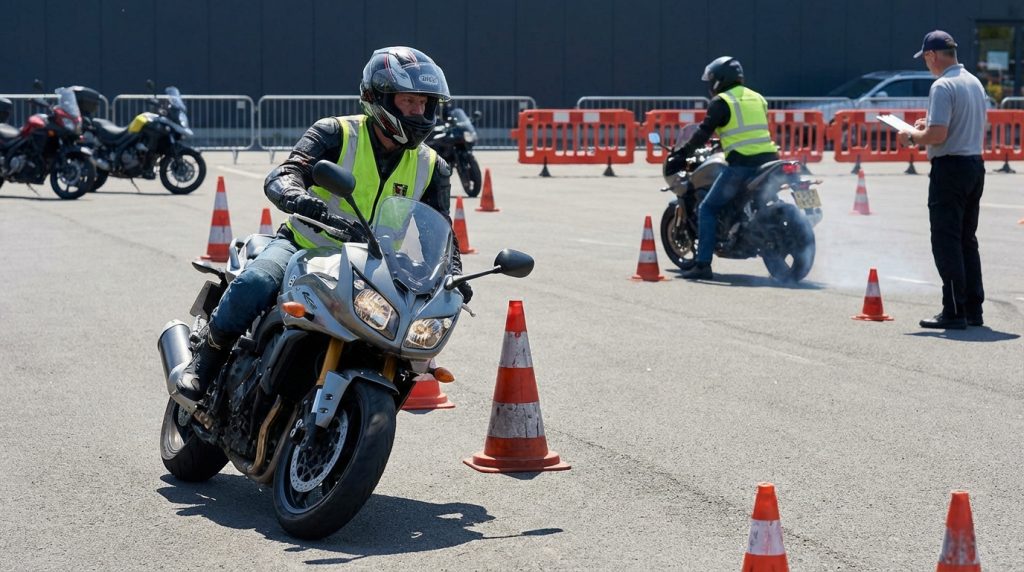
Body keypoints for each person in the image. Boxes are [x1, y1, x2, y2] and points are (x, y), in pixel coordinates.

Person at [178, 46, 471, 400]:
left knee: (408, 336)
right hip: (305, 246)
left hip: (373, 268)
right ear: (378, 97)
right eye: (409, 101)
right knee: (256, 281)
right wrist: (300, 198)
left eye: (424, 103)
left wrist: (453, 273)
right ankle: (208, 358)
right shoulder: (336, 133)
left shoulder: (432, 166)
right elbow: (285, 174)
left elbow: (440, 230)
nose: (418, 111)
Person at [897, 31, 986, 329]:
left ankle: (954, 311)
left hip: (950, 168)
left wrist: (911, 136)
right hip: (974, 164)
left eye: (925, 59)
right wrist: (927, 126)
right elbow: (954, 124)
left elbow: (938, 135)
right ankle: (972, 308)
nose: (926, 64)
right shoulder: (973, 82)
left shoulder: (942, 85)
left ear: (932, 55)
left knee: (946, 240)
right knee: (966, 239)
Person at [671, 56, 779, 280]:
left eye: (711, 80)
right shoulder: (758, 98)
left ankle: (702, 265)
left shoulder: (722, 102)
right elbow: (748, 130)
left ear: (719, 80)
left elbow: (703, 132)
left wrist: (683, 153)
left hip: (742, 164)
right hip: (769, 160)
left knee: (707, 208)